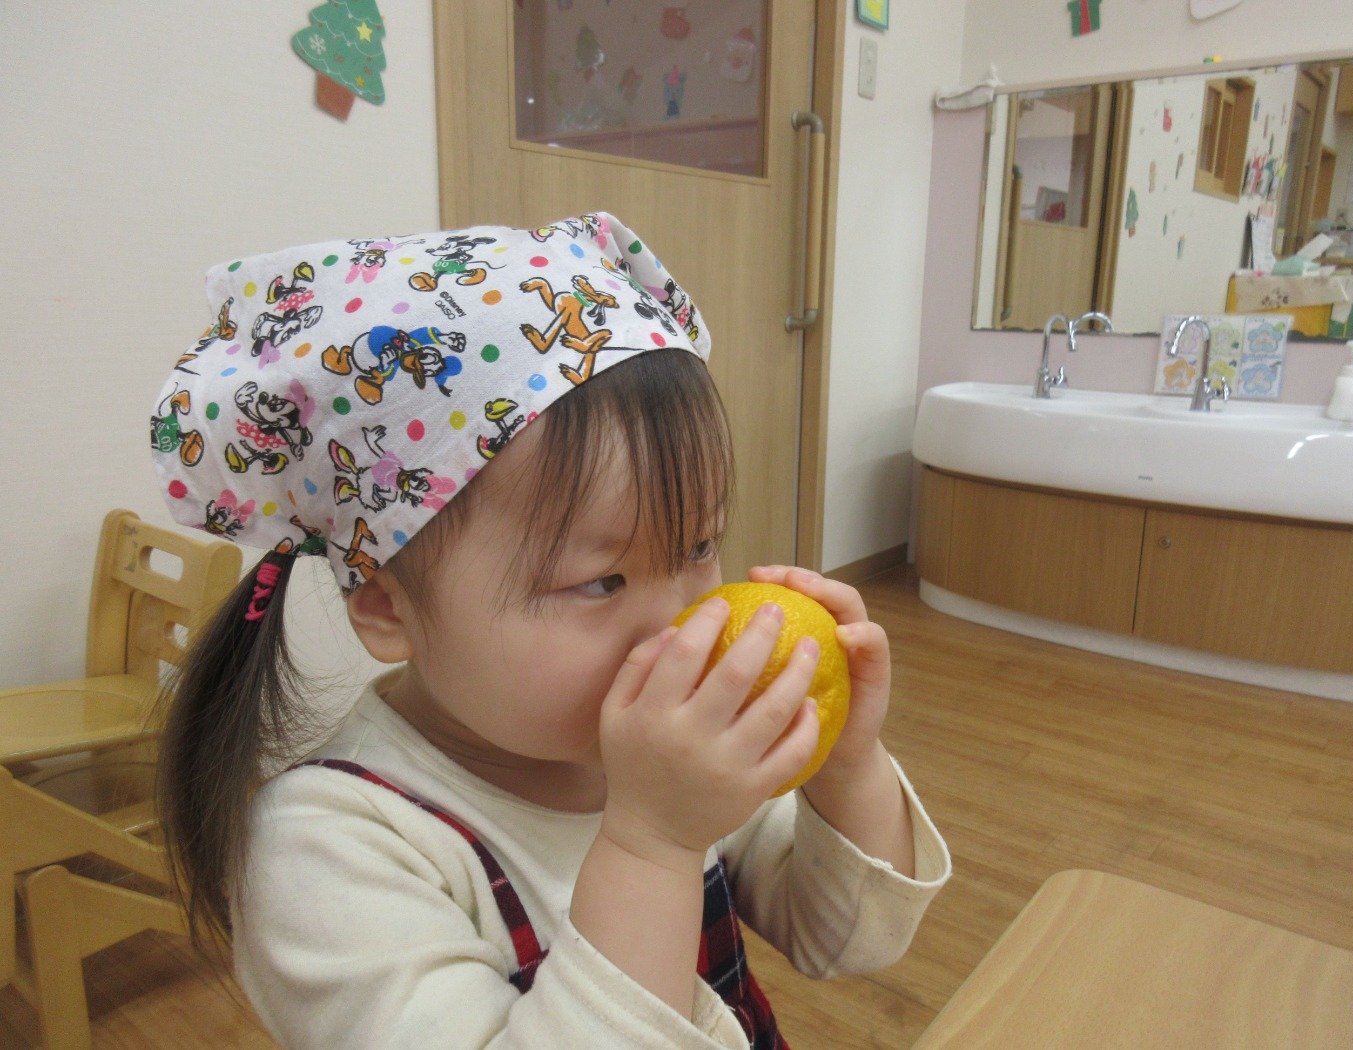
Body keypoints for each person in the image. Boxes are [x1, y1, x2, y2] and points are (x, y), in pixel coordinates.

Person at [152, 212, 950, 1048]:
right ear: (388, 607)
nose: (680, 626)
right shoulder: (328, 851)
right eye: (601, 580)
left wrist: (845, 764)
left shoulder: (669, 747)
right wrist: (653, 844)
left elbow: (846, 938)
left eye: (699, 546)